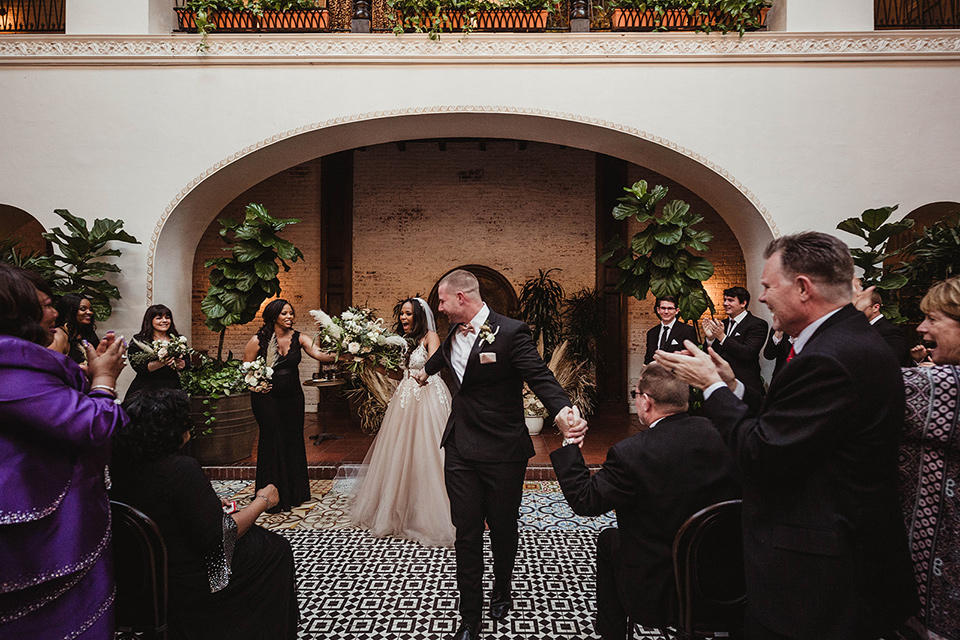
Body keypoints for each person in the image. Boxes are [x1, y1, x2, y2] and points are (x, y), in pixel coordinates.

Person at [656, 232, 917, 640]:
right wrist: (735, 386)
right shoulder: (841, 341)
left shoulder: (832, 356)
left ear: (802, 288)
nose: (761, 297)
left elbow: (760, 452)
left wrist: (711, 389)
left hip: (819, 576)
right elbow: (793, 424)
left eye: (766, 286)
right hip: (828, 561)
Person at [414, 269, 587, 640]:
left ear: (461, 298)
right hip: (460, 445)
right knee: (467, 530)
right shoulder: (450, 335)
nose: (439, 308)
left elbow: (540, 376)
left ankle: (503, 588)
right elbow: (444, 358)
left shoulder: (511, 332)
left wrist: (562, 412)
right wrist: (421, 374)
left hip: (503, 449)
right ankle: (470, 617)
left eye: (442, 301)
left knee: (503, 527)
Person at [550, 363, 739, 639]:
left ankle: (611, 633)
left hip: (662, 593)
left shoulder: (632, 454)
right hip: (728, 584)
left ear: (646, 402)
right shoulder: (728, 436)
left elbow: (585, 500)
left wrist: (569, 442)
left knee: (608, 540)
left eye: (634, 394)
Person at [0, 263, 128, 640]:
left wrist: (89, 374)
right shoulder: (9, 367)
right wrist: (104, 380)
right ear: (19, 313)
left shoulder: (23, 364)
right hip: (37, 531)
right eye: (46, 304)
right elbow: (93, 425)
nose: (56, 313)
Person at [110, 389, 298, 640]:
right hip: (191, 579)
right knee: (275, 549)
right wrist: (262, 501)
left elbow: (165, 505)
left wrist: (203, 503)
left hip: (142, 574)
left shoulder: (121, 465)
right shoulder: (181, 470)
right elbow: (221, 536)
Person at [350, 297, 455, 547]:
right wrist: (372, 363)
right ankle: (400, 507)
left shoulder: (431, 336)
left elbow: (436, 362)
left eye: (408, 314)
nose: (403, 318)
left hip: (428, 394)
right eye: (402, 314)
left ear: (418, 315)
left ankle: (433, 510)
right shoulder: (402, 342)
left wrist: (424, 374)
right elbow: (398, 372)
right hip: (406, 395)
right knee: (400, 452)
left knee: (429, 451)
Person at [897, 276, 960, 640]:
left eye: (934, 319)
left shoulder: (945, 386)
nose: (921, 328)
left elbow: (856, 384)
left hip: (943, 583)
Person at [244, 299, 338, 513]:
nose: (290, 317)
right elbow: (245, 370)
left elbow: (320, 354)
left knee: (293, 440)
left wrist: (346, 354)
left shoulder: (300, 338)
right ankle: (269, 494)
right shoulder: (257, 340)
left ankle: (294, 493)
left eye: (291, 313)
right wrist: (258, 386)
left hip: (293, 398)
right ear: (274, 315)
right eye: (285, 313)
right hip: (266, 400)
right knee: (272, 441)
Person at [701, 286, 768, 396]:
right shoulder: (723, 324)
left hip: (746, 386)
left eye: (730, 300)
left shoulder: (757, 324)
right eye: (725, 300)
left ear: (743, 303)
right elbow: (711, 355)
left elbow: (748, 353)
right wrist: (710, 339)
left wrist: (722, 337)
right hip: (721, 385)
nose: (725, 303)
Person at [126, 304, 189, 398]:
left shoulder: (178, 340)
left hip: (172, 387)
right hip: (146, 389)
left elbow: (188, 363)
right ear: (150, 321)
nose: (164, 321)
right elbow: (139, 367)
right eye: (159, 318)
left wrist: (181, 364)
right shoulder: (139, 341)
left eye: (167, 318)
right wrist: (163, 361)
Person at [854, 288, 913, 367]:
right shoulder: (859, 328)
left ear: (875, 307)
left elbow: (891, 362)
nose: (856, 310)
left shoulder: (890, 331)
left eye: (862, 306)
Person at [643, 295, 698, 364]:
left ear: (676, 311)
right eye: (663, 308)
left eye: (670, 308)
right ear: (658, 310)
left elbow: (692, 358)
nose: (666, 312)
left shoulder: (687, 330)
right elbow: (648, 358)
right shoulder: (651, 333)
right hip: (655, 373)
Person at [50, 292, 99, 364]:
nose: (89, 312)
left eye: (90, 309)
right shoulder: (59, 335)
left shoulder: (87, 334)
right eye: (83, 309)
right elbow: (52, 365)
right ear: (70, 311)